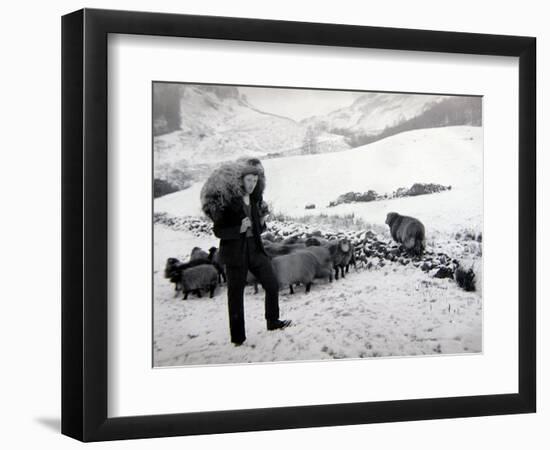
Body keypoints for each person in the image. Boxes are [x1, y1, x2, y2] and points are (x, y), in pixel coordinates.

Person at [212, 164, 291, 346]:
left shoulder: (255, 200)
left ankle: (272, 321)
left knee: (272, 284)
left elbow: (257, 229)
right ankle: (238, 338)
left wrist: (261, 221)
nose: (252, 184)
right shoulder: (229, 201)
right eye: (249, 180)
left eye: (255, 181)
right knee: (236, 295)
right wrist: (238, 228)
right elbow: (218, 230)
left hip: (255, 249)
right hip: (235, 253)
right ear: (241, 180)